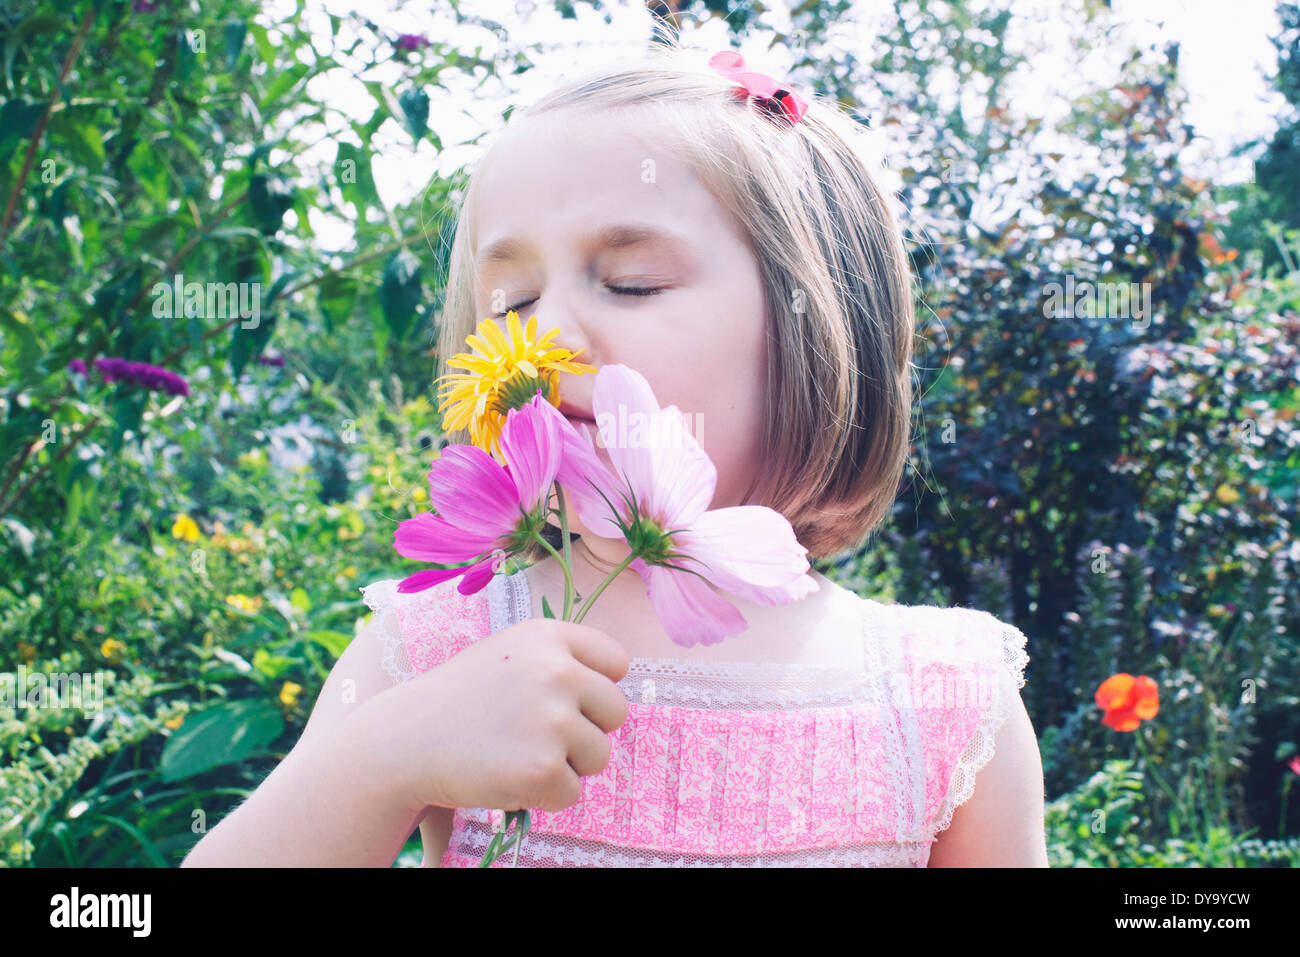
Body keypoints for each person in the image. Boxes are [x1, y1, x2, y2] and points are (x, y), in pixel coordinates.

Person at [182, 41, 1047, 868]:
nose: (544, 339)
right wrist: (383, 755)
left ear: (816, 328)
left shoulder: (943, 701)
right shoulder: (435, 648)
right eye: (511, 300)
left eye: (632, 282)